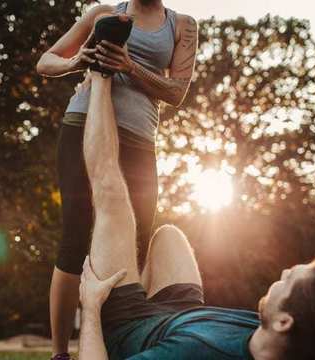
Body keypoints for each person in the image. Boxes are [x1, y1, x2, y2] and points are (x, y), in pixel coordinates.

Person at [76, 68, 315, 359]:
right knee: (169, 235)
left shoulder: (195, 355)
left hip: (130, 326)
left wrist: (91, 310)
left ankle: (99, 75)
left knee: (112, 193)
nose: (285, 271)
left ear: (283, 321)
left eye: (293, 279)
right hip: (183, 316)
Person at [36, 1, 198, 358]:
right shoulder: (102, 13)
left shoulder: (182, 26)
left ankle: (122, 343)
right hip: (84, 125)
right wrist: (76, 61)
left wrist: (128, 65)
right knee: (75, 235)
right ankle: (60, 353)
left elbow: (176, 93)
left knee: (134, 243)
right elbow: (45, 61)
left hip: (140, 140)